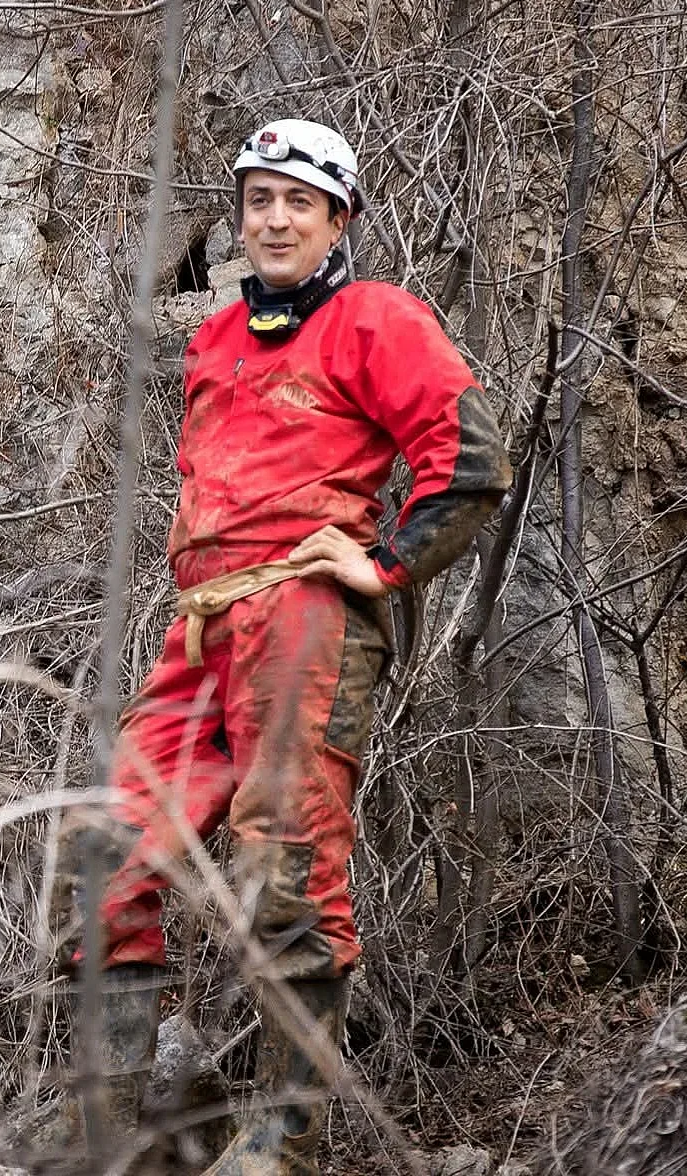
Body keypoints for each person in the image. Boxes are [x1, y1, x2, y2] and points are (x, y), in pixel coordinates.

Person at [54, 120, 512, 1175]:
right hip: (203, 621)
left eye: (298, 201)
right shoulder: (216, 338)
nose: (273, 217)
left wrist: (384, 562)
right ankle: (108, 1133)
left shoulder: (376, 317)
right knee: (104, 853)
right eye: (257, 197)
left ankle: (283, 1141)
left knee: (283, 862)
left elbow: (470, 455)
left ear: (336, 217)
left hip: (299, 616)